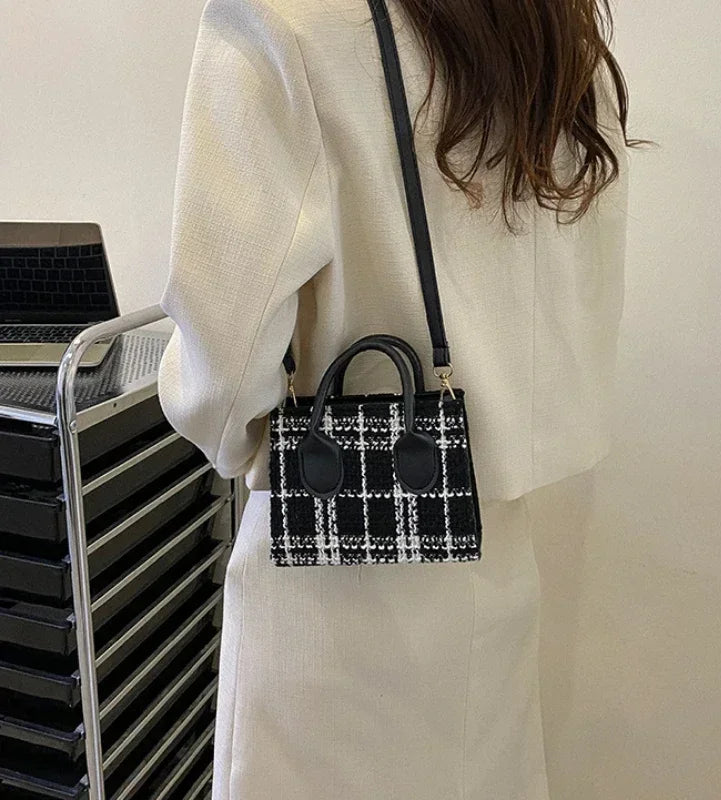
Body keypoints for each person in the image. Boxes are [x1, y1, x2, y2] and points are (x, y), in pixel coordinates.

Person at [157, 0, 635, 797]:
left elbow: (223, 367)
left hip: (331, 584)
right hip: (495, 569)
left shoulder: (279, 20)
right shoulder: (557, 33)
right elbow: (578, 313)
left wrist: (237, 439)